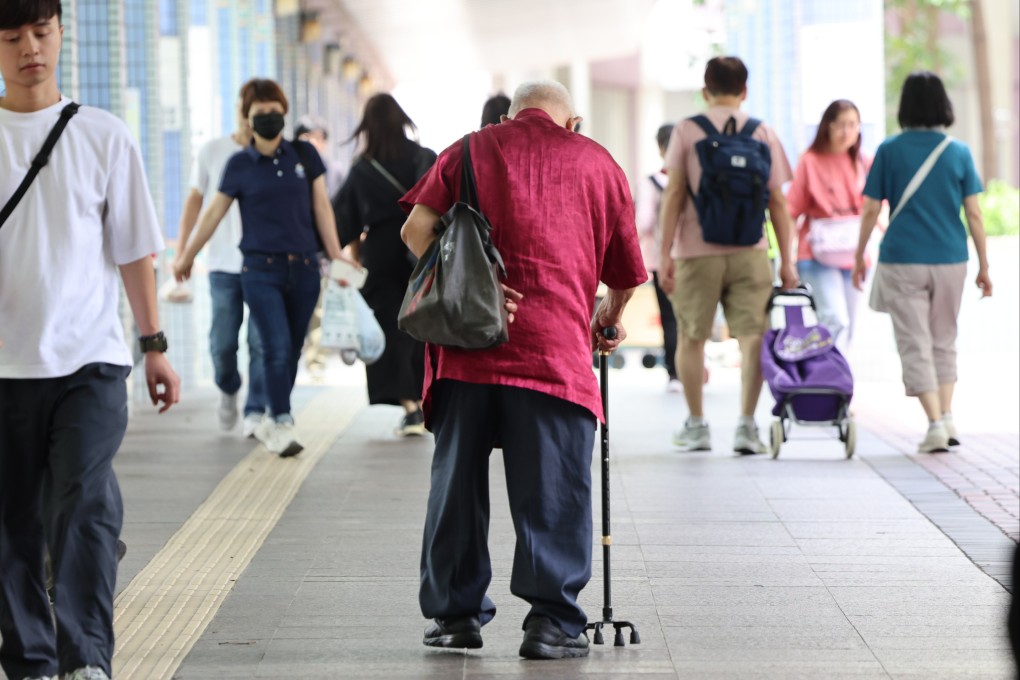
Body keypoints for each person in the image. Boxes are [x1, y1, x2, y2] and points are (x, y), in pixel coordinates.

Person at [400, 80, 646, 660]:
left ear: (510, 114)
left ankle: (455, 617)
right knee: (553, 491)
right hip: (554, 354)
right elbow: (628, 273)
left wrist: (475, 280)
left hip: (468, 350)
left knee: (456, 488)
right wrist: (607, 317)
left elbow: (415, 231)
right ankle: (553, 623)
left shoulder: (468, 150)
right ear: (573, 120)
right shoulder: (598, 163)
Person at [0, 2, 181, 678]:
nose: (29, 49)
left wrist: (153, 343)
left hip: (90, 362)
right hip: (4, 367)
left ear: (61, 35)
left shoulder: (103, 135)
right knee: (12, 522)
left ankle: (85, 659)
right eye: (12, 36)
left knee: (81, 503)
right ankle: (30, 660)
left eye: (41, 33)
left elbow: (135, 248)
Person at [174, 78, 356, 457]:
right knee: (272, 345)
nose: (270, 119)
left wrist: (336, 252)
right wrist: (187, 255)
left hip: (305, 268)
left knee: (290, 349)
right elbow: (212, 213)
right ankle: (282, 418)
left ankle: (276, 412)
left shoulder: (305, 156)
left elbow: (321, 206)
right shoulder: (239, 165)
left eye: (276, 112)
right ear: (247, 118)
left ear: (284, 114)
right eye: (261, 114)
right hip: (260, 271)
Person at [658, 56, 798, 455]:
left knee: (691, 336)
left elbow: (674, 195)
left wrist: (664, 252)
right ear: (744, 91)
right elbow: (779, 203)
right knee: (752, 337)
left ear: (706, 90)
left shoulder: (687, 130)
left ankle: (698, 426)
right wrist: (786, 261)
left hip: (695, 252)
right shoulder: (763, 133)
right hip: (751, 251)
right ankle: (746, 426)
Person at [852, 71, 992, 453]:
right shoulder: (958, 152)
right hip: (951, 258)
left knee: (915, 341)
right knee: (944, 338)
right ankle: (946, 417)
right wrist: (984, 266)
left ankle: (934, 423)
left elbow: (869, 210)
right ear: (943, 104)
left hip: (902, 260)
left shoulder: (889, 150)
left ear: (906, 106)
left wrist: (859, 256)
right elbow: (974, 215)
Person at [333, 93, 436, 437]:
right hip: (422, 251)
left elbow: (344, 221)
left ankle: (409, 407)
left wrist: (355, 255)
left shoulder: (363, 168)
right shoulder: (423, 158)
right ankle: (425, 398)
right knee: (422, 323)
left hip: (381, 253)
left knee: (391, 329)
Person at [175, 96, 267, 437]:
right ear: (241, 114)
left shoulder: (275, 156)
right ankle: (229, 388)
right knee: (223, 343)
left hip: (262, 266)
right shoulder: (212, 151)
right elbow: (195, 203)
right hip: (222, 265)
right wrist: (184, 252)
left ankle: (256, 409)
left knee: (260, 342)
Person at [787, 99, 871, 352]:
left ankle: (833, 380)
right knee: (835, 320)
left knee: (849, 328)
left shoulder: (864, 161)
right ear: (827, 127)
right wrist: (786, 258)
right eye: (840, 125)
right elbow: (791, 210)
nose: (847, 132)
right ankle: (825, 378)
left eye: (853, 125)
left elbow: (876, 208)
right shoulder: (809, 162)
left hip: (854, 255)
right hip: (815, 254)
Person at [635, 123, 682, 392]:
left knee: (669, 316)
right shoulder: (694, 178)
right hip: (692, 257)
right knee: (689, 316)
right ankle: (694, 366)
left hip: (661, 260)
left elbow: (644, 221)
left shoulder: (651, 182)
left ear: (661, 148)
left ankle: (674, 374)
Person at [294, 114, 345, 198]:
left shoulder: (335, 171)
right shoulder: (289, 168)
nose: (312, 143)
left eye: (318, 138)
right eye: (307, 137)